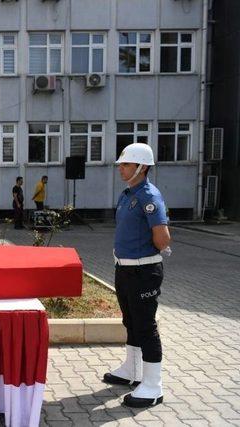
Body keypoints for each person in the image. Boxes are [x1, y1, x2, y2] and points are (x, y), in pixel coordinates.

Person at [103, 143, 171, 409]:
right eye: (121, 164)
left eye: (126, 164)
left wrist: (147, 254)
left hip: (144, 270)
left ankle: (153, 385)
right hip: (125, 267)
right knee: (130, 320)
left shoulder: (149, 196)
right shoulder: (128, 193)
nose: (121, 168)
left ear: (141, 167)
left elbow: (162, 238)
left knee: (146, 326)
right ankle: (132, 372)